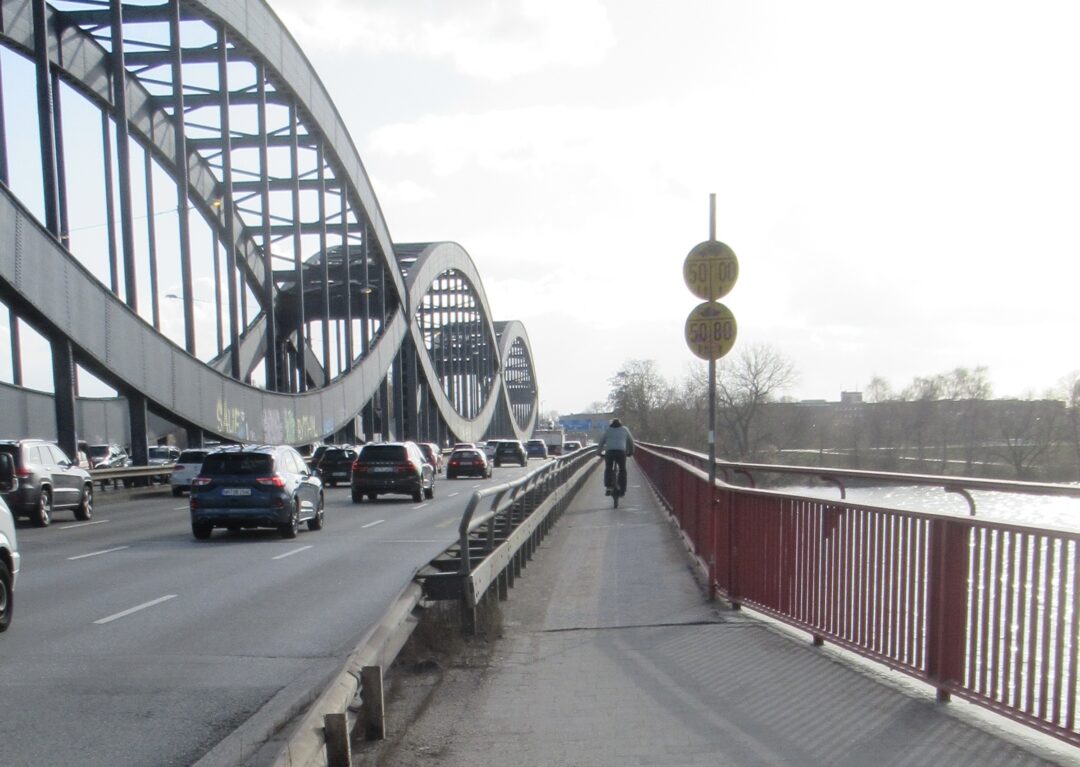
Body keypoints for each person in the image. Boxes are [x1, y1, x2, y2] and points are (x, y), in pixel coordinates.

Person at [596, 417, 634, 496]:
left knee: (608, 469)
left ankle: (609, 487)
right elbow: (631, 441)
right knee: (622, 470)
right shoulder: (625, 429)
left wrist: (599, 452)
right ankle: (622, 490)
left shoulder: (607, 430)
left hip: (610, 452)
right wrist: (631, 452)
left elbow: (601, 442)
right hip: (621, 452)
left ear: (611, 424)